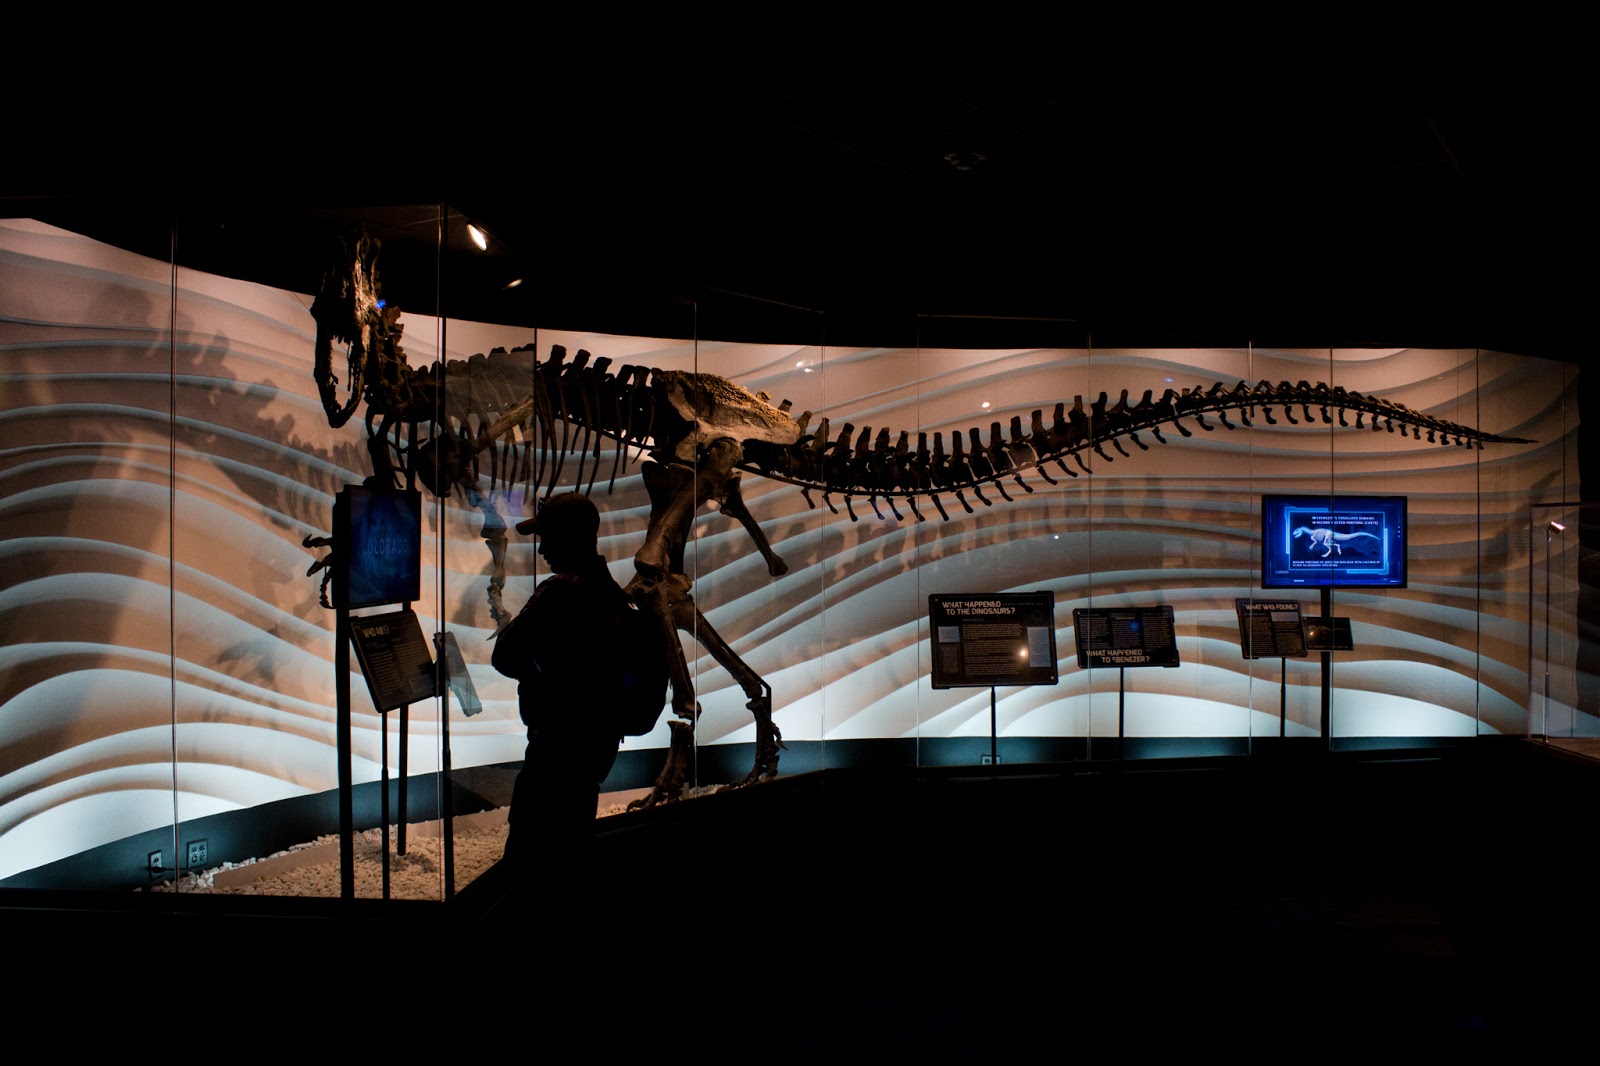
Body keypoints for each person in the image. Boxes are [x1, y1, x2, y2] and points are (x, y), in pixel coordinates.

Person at [491, 492, 627, 889]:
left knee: (531, 853)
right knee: (573, 840)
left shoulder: (560, 591)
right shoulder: (610, 589)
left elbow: (504, 655)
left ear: (567, 535)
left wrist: (540, 670)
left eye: (547, 537)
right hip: (596, 745)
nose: (542, 549)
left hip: (558, 749)